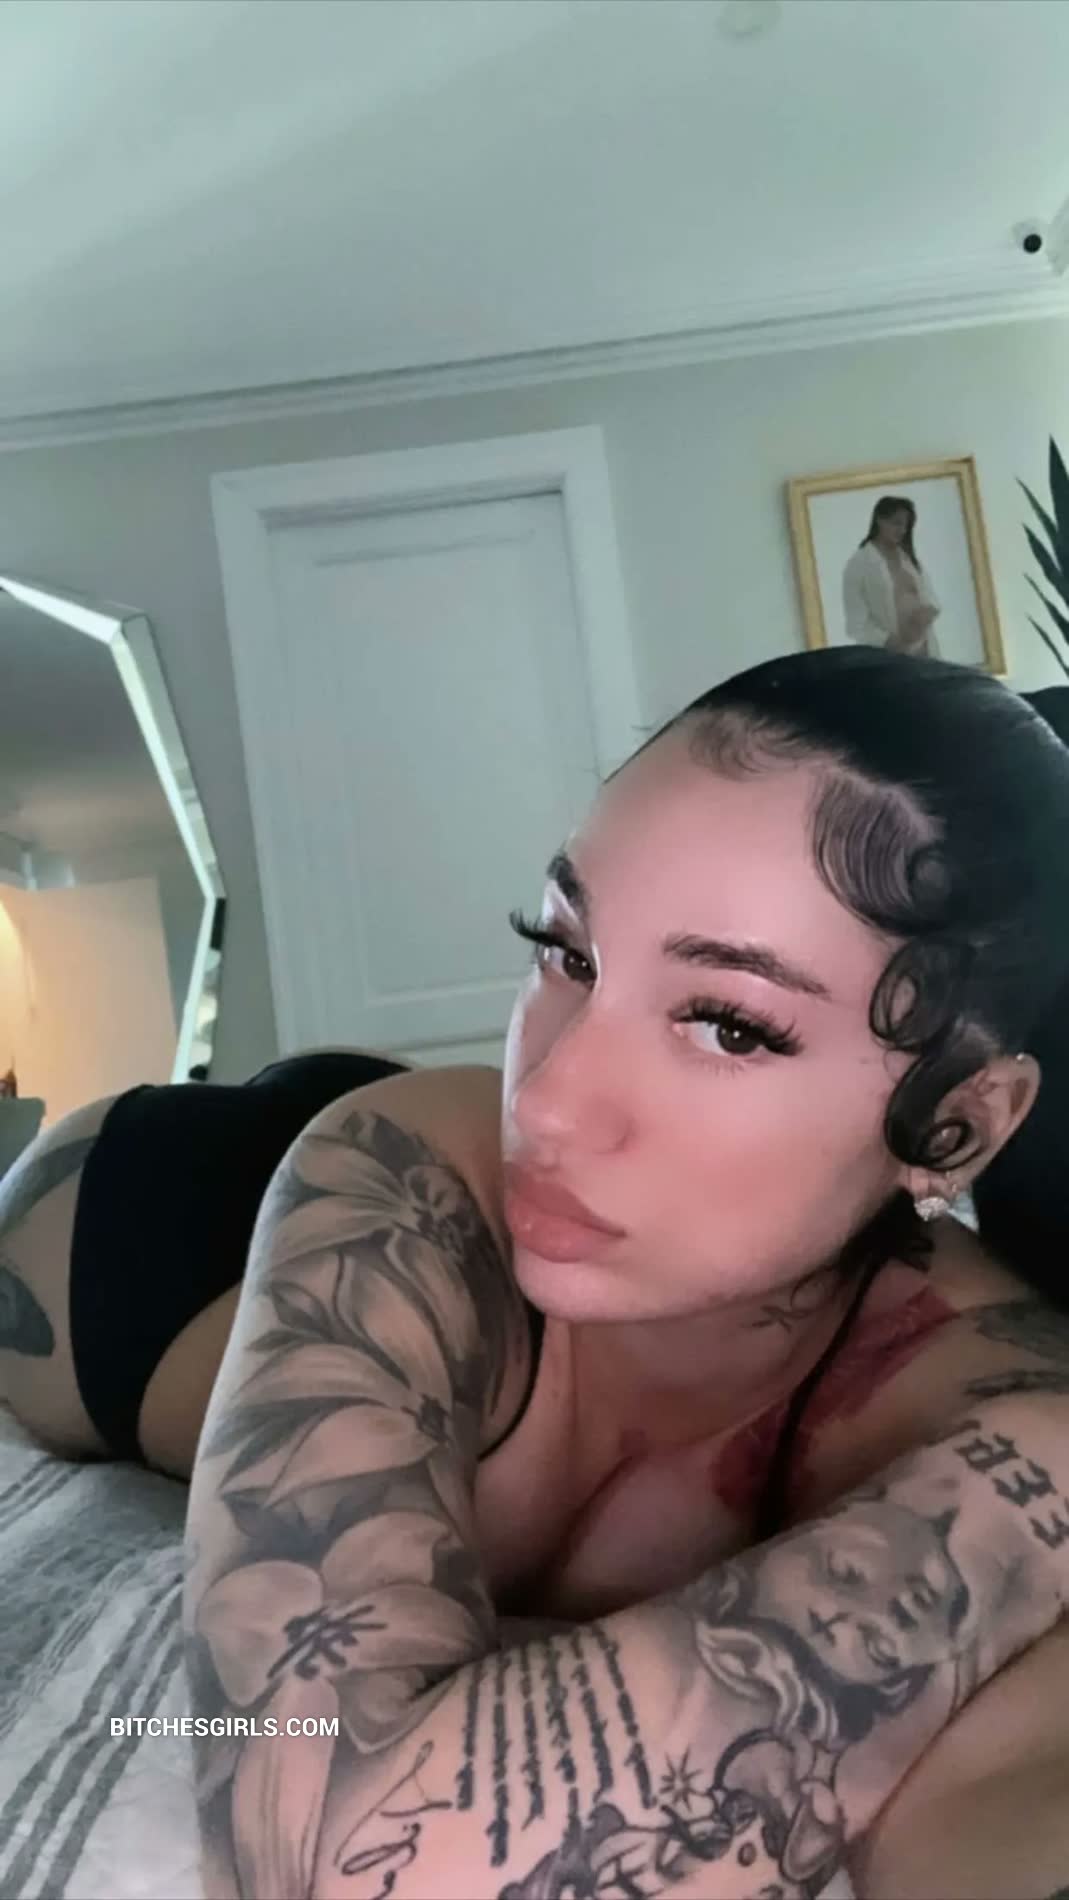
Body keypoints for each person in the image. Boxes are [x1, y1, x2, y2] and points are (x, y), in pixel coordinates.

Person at [3, 648, 1069, 1896]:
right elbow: (326, 1843)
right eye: (564, 950)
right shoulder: (419, 1168)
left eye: (728, 1023)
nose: (549, 1101)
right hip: (153, 1221)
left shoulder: (995, 1400)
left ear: (958, 1125)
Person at [843, 495, 941, 656]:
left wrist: (925, 615)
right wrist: (890, 641)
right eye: (896, 523)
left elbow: (931, 599)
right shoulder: (859, 564)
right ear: (879, 520)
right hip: (892, 655)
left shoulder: (909, 560)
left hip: (926, 652)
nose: (902, 530)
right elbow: (856, 625)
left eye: (906, 526)